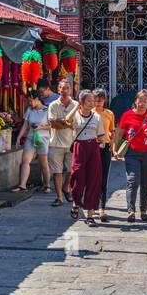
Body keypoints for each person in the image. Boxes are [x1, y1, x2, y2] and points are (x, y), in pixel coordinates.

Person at [114, 89, 147, 222]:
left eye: (145, 101)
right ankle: (131, 210)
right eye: (140, 100)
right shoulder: (127, 115)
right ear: (135, 101)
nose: (142, 103)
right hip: (132, 153)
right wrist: (114, 149)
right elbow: (119, 133)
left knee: (145, 182)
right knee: (132, 180)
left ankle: (143, 210)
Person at [67, 89, 105, 225]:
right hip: (79, 147)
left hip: (93, 148)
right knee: (78, 178)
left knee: (93, 180)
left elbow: (101, 135)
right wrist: (76, 107)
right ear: (81, 102)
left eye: (92, 100)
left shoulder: (96, 117)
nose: (92, 103)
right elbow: (67, 120)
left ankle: (90, 214)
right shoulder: (76, 115)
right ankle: (76, 203)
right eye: (88, 100)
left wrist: (103, 142)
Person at [16, 90, 53, 199]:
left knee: (43, 163)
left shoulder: (47, 110)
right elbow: (25, 126)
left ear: (37, 99)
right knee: (25, 161)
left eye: (30, 100)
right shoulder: (29, 110)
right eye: (28, 101)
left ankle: (47, 184)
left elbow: (52, 125)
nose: (29, 103)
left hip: (42, 138)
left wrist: (41, 127)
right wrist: (18, 138)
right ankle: (22, 185)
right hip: (31, 137)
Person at [46, 79, 76, 206]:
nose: (64, 91)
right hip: (55, 144)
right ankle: (59, 197)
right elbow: (54, 125)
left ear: (70, 89)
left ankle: (66, 187)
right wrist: (67, 123)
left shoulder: (76, 105)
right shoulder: (53, 105)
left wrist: (62, 121)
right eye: (62, 88)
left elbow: (76, 124)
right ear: (58, 90)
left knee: (72, 170)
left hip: (71, 143)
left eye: (67, 88)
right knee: (57, 171)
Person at [93, 88, 115, 221]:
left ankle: (102, 208)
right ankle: (92, 204)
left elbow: (112, 130)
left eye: (101, 99)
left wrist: (113, 145)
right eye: (96, 99)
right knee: (92, 177)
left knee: (103, 178)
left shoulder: (109, 114)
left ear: (104, 100)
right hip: (92, 146)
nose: (98, 102)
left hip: (105, 147)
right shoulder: (89, 113)